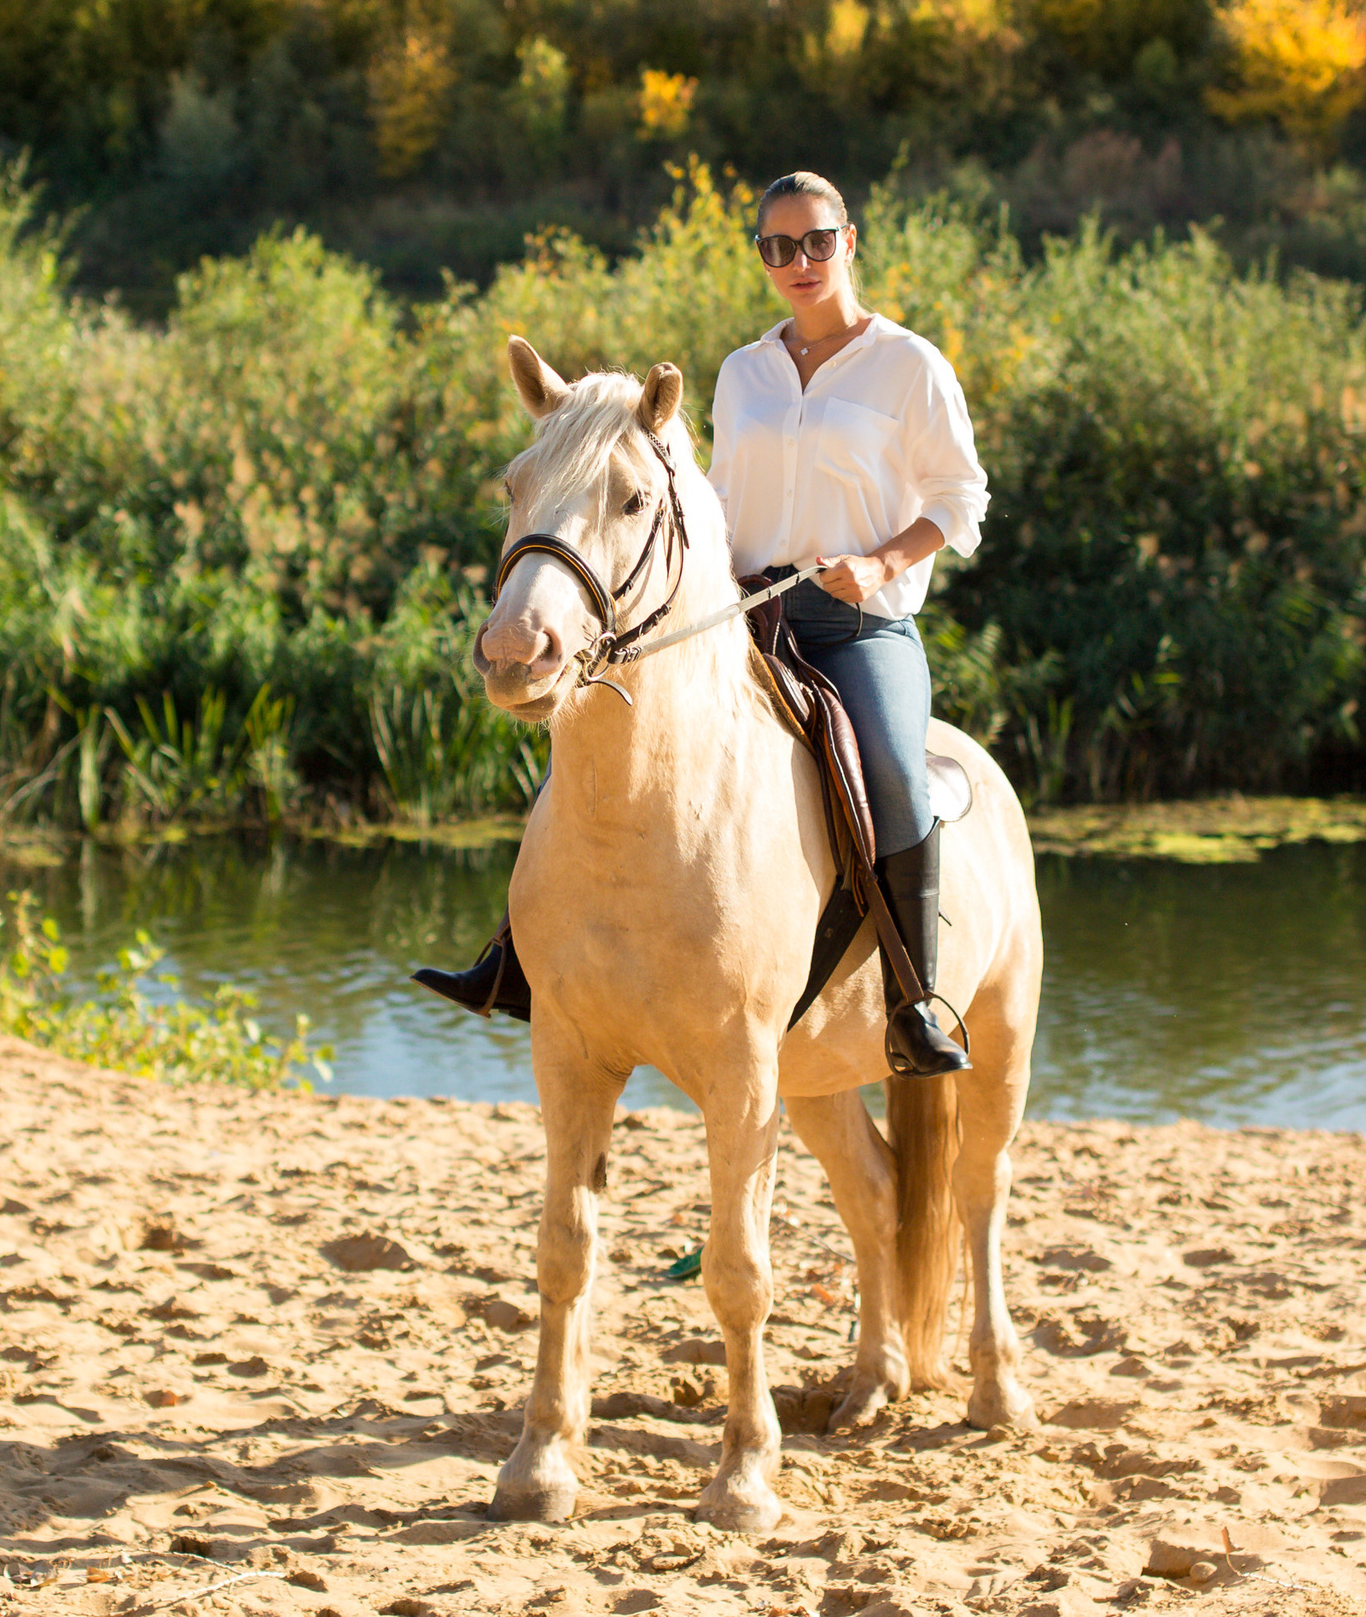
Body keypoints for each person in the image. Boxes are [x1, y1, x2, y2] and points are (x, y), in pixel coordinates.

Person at [417, 171, 989, 1081]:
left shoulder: (909, 365)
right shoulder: (742, 371)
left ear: (849, 242)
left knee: (889, 771)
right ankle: (519, 957)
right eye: (777, 246)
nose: (797, 263)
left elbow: (962, 499)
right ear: (761, 255)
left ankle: (914, 1000)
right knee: (597, 740)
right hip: (743, 613)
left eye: (815, 242)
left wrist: (880, 561)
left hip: (857, 625)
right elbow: (713, 506)